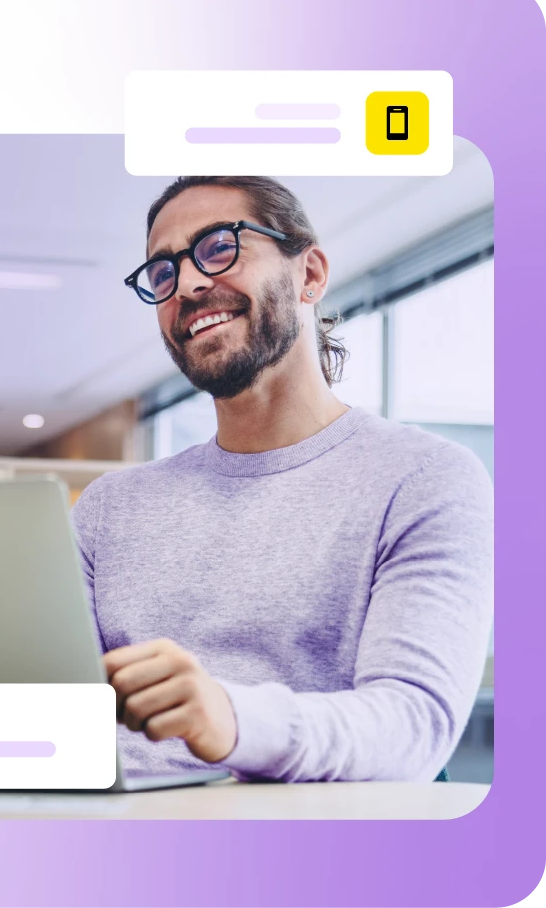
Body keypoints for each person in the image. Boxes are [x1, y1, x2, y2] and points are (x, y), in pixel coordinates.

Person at [71, 175, 493, 782]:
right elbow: (57, 710)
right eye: (161, 273)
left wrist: (232, 719)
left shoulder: (424, 477)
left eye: (219, 246)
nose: (186, 284)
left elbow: (414, 724)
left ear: (310, 275)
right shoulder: (109, 507)